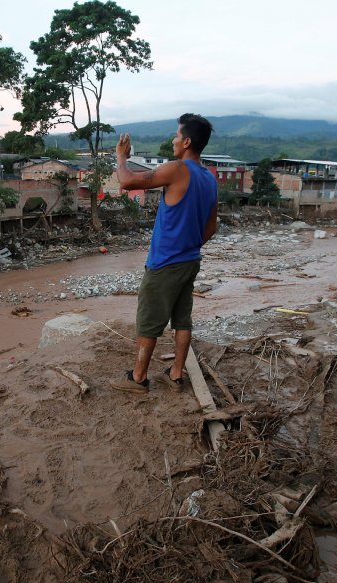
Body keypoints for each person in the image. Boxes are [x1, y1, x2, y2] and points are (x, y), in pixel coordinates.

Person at [110, 113, 219, 394]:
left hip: (165, 262)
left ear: (187, 141)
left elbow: (127, 181)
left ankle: (138, 378)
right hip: (190, 259)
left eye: (175, 136)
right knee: (182, 318)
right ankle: (176, 372)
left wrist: (121, 157)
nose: (173, 140)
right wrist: (189, 245)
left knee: (149, 320)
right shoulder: (209, 177)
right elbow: (212, 227)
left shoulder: (177, 169)